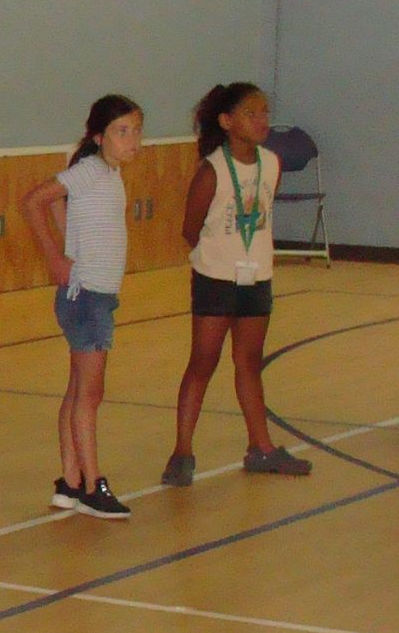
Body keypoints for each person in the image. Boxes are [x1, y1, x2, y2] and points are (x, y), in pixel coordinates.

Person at [161, 82, 312, 485]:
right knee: (203, 363)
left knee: (249, 363)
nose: (262, 121)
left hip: (257, 277)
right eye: (251, 114)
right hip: (216, 280)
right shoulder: (212, 170)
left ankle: (261, 447)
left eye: (265, 113)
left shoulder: (272, 164)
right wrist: (218, 256)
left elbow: (263, 211)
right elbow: (190, 228)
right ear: (227, 122)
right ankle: (182, 452)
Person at [20, 95, 141, 519]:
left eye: (136, 131)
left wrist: (67, 239)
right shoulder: (90, 170)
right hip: (86, 297)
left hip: (97, 295)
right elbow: (35, 200)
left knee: (78, 391)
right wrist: (55, 257)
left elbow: (59, 204)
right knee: (90, 395)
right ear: (98, 136)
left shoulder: (108, 173)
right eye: (122, 131)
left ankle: (70, 481)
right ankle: (93, 485)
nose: (132, 140)